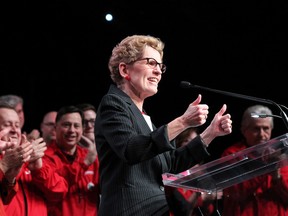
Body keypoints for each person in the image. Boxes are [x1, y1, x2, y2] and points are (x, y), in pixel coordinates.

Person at [95, 34, 233, 216]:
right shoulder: (113, 103)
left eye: (160, 66)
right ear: (124, 70)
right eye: (151, 63)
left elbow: (171, 163)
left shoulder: (146, 119)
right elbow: (131, 149)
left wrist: (210, 133)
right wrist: (183, 121)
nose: (159, 71)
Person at [31, 105, 100, 216]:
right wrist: (84, 164)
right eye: (66, 125)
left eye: (76, 126)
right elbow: (56, 188)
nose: (72, 130)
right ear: (55, 128)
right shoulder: (44, 157)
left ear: (82, 130)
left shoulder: (90, 155)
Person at [221, 105, 288, 216]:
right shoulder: (232, 154)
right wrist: (266, 165)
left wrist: (277, 175)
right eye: (256, 129)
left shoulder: (280, 154)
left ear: (271, 129)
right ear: (244, 130)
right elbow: (237, 193)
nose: (262, 134)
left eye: (266, 128)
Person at [166, 127, 221, 216]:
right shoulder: (170, 171)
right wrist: (199, 196)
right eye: (187, 140)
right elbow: (182, 209)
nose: (192, 144)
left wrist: (208, 199)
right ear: (179, 144)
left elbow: (209, 209)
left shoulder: (201, 173)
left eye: (195, 141)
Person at [0, 103, 35, 216]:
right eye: (7, 125)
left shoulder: (30, 156)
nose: (15, 130)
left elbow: (5, 198)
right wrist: (3, 166)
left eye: (17, 125)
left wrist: (9, 179)